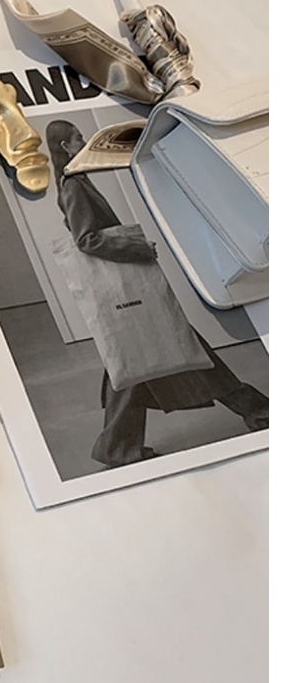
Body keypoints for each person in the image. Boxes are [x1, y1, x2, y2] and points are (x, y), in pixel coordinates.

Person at [47, 119, 268, 468]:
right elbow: (86, 239)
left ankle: (118, 447)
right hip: (129, 295)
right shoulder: (73, 186)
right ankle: (259, 411)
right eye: (78, 137)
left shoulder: (77, 181)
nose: (84, 140)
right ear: (65, 146)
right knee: (172, 354)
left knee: (135, 367)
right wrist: (136, 246)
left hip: (129, 300)